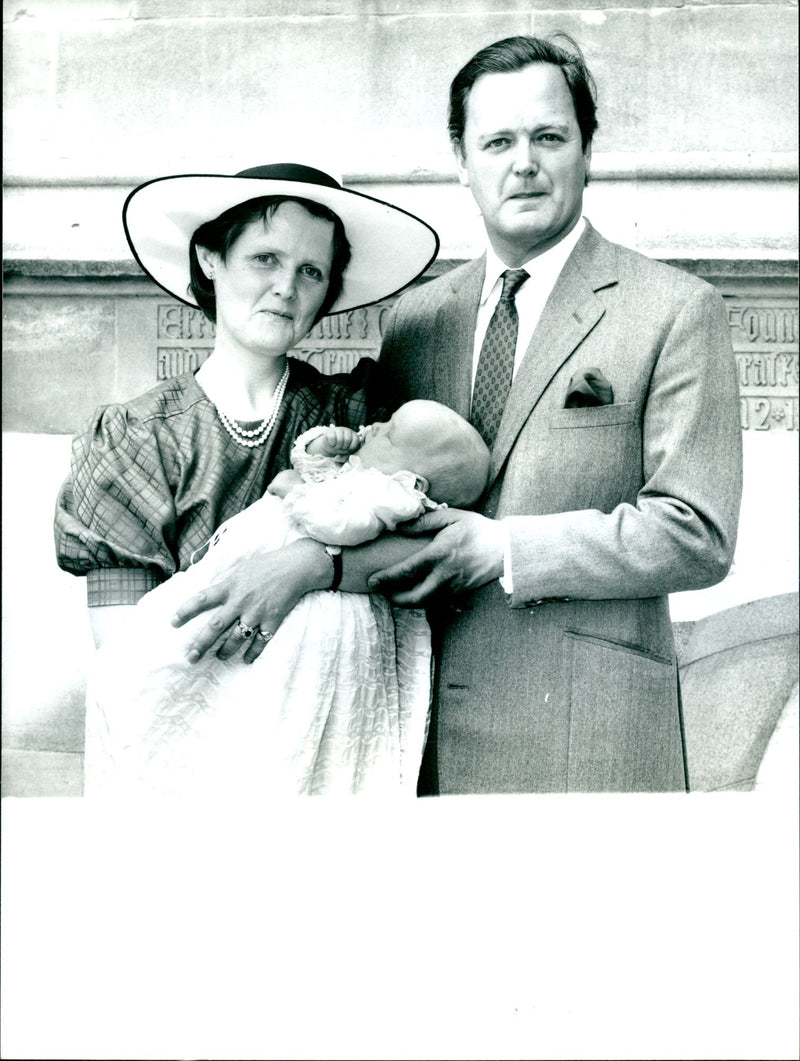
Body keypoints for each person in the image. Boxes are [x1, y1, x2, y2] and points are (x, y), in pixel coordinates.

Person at [169, 35, 743, 795]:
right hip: (417, 741)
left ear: (586, 148)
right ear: (462, 159)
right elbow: (389, 496)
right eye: (498, 141)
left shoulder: (673, 310)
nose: (524, 163)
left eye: (549, 137)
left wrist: (507, 548)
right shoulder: (418, 321)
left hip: (595, 750)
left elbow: (695, 533)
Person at [55, 161, 439, 789]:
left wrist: (305, 567)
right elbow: (132, 662)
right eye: (265, 258)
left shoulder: (359, 420)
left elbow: (421, 558)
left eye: (310, 271)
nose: (286, 287)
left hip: (330, 740)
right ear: (211, 258)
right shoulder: (136, 439)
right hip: (189, 761)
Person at [84, 401, 489, 796]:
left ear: (413, 480)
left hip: (312, 604)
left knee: (266, 696)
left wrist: (296, 490)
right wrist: (320, 448)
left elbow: (340, 526)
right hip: (254, 571)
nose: (375, 426)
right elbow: (309, 463)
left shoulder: (389, 496)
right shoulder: (363, 473)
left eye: (390, 433)